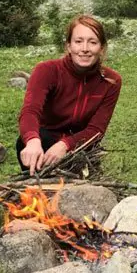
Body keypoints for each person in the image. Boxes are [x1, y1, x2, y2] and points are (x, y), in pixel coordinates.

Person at [17, 15, 122, 175]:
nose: (85, 48)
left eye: (92, 42)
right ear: (68, 46)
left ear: (101, 48)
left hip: (81, 146)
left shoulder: (111, 81)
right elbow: (30, 111)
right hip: (45, 143)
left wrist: (65, 145)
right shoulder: (47, 70)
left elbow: (96, 129)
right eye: (78, 41)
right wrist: (32, 141)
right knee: (28, 143)